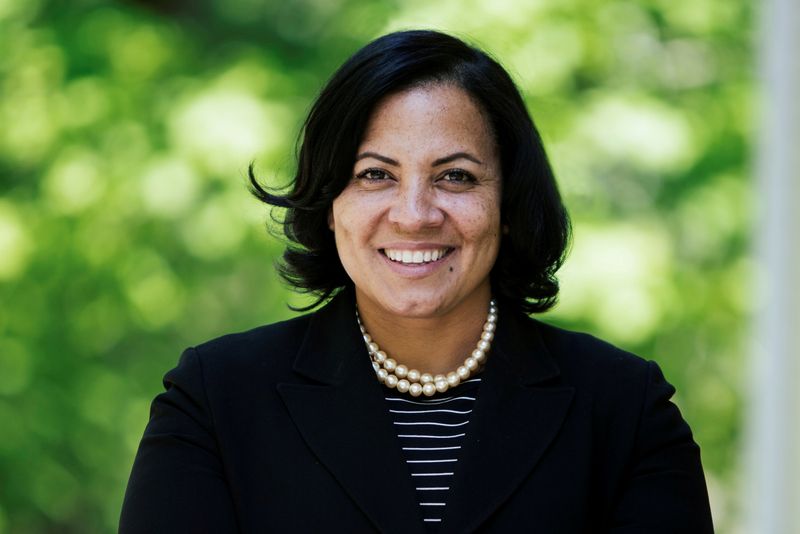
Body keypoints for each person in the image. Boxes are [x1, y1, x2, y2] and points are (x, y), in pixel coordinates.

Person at [120, 30, 714, 533]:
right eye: (375, 174)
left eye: (454, 176)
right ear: (330, 204)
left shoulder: (626, 411)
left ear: (506, 203)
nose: (414, 213)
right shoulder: (214, 402)